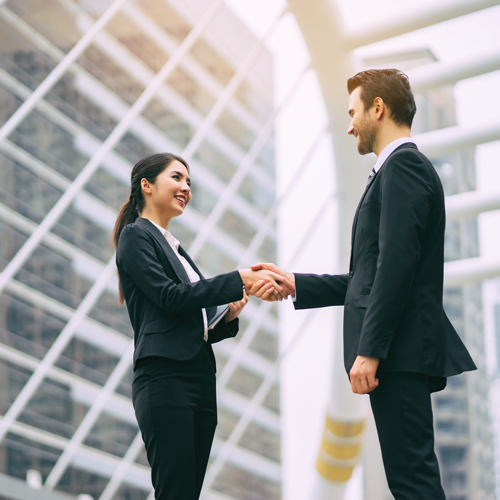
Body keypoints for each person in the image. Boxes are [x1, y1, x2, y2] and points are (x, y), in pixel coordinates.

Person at [250, 69, 476, 499]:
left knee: (413, 481)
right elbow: (369, 279)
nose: (349, 124)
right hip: (400, 347)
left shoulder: (404, 166)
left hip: (398, 350)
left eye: (353, 112)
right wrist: (295, 282)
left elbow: (396, 266)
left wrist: (369, 350)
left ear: (379, 107)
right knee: (409, 480)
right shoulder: (395, 170)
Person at [113, 152, 293, 500]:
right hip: (164, 378)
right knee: (175, 490)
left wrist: (229, 310)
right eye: (177, 178)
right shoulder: (136, 237)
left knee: (188, 493)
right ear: (146, 186)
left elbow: (192, 318)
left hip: (197, 378)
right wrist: (237, 278)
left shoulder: (176, 249)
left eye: (189, 182)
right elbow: (170, 297)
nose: (186, 187)